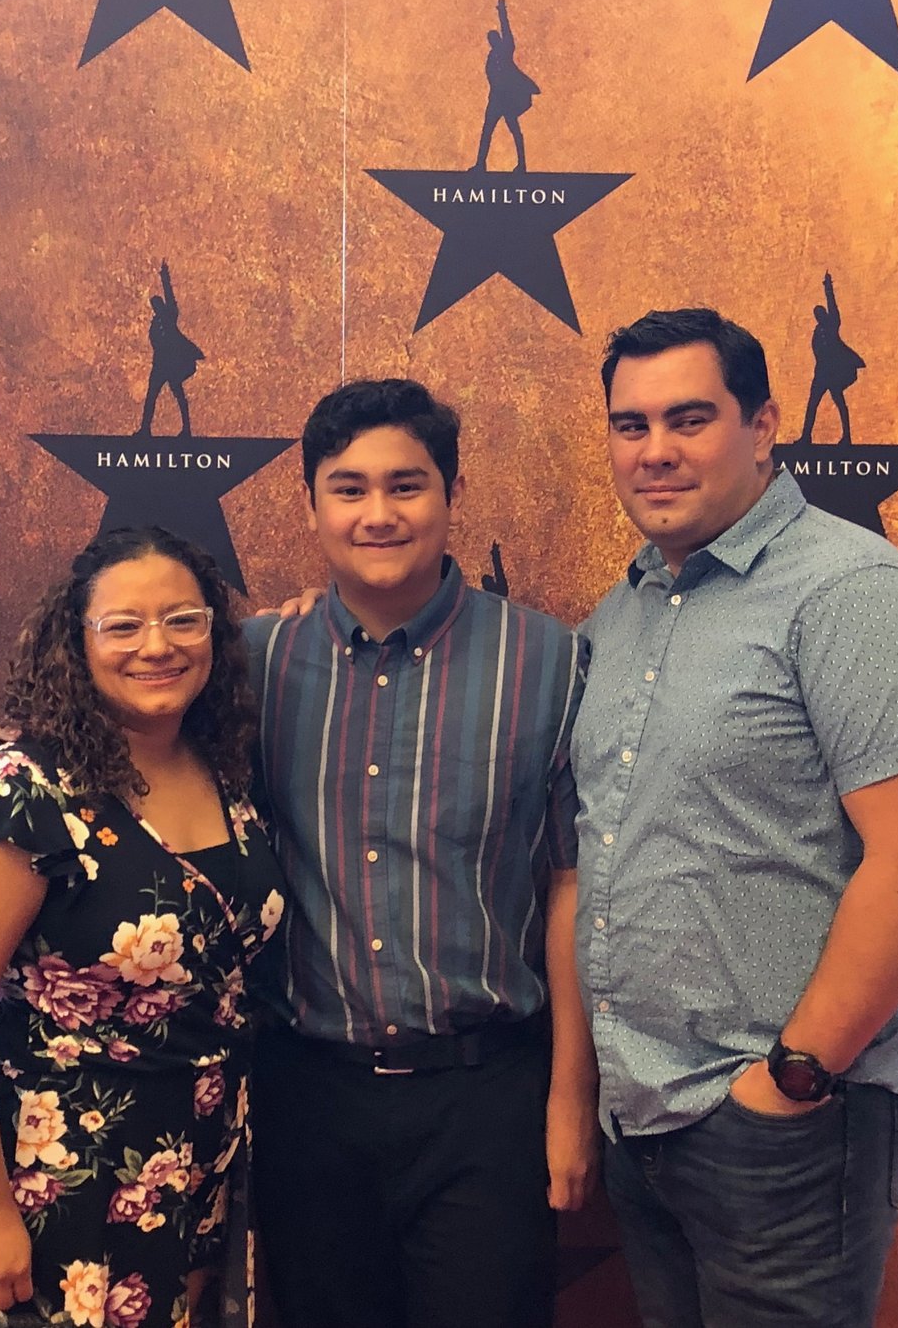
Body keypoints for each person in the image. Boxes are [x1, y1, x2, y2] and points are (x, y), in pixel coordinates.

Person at [573, 307, 898, 1327]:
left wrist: (793, 1079)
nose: (655, 450)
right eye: (630, 425)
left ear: (763, 425)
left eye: (689, 418)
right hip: (647, 1116)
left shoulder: (850, 588)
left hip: (787, 1125)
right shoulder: (627, 608)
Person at [244, 378, 595, 1328]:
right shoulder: (250, 664)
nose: (378, 513)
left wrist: (571, 1098)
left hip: (486, 1098)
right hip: (306, 1098)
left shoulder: (549, 660)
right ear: (310, 504)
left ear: (452, 492)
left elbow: (571, 882)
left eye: (406, 484)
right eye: (348, 488)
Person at [0, 526, 284, 1328]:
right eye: (124, 625)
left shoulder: (222, 766)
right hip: (60, 1188)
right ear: (75, 642)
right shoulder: (18, 792)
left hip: (204, 1172)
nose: (157, 645)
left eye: (183, 620)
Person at [135, 260, 205, 439]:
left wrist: (165, 277)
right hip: (160, 364)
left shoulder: (170, 315)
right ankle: (145, 429)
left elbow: (169, 295)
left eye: (158, 304)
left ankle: (186, 429)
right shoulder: (155, 324)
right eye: (154, 305)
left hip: (173, 363)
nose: (156, 307)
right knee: (151, 397)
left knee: (179, 395)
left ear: (162, 305)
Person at [472, 0, 540, 173]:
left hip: (508, 99)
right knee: (487, 131)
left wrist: (502, 10)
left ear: (498, 39)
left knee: (515, 131)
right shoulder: (491, 58)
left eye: (494, 38)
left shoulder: (506, 48)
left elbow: (506, 27)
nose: (492, 41)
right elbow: (491, 77)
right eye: (490, 39)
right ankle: (480, 164)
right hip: (496, 99)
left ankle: (522, 164)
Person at [799, 270, 865, 444]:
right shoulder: (817, 332)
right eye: (816, 314)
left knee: (839, 403)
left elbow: (832, 303)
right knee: (813, 404)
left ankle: (847, 436)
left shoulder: (832, 323)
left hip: (834, 372)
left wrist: (828, 286)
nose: (818, 316)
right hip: (822, 373)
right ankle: (806, 436)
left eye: (820, 313)